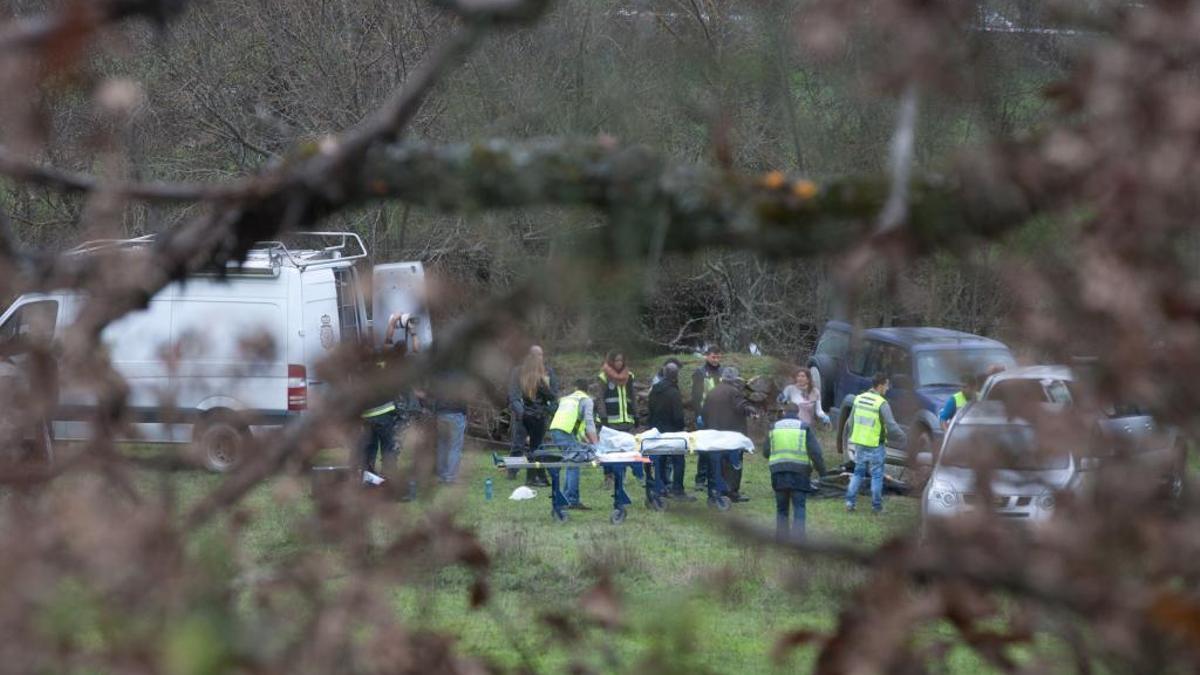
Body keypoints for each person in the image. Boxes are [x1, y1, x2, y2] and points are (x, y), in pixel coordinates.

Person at [844, 372, 907, 514]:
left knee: (858, 473)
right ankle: (876, 507)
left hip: (860, 443)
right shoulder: (881, 403)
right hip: (875, 444)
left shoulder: (858, 399)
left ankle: (850, 502)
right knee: (877, 475)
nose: (888, 388)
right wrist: (904, 437)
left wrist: (852, 437)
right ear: (880, 385)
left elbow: (851, 422)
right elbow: (891, 425)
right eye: (886, 385)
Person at [764, 405, 827, 540]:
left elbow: (765, 452)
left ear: (784, 412)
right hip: (800, 472)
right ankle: (798, 540)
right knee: (799, 507)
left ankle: (781, 539)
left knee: (781, 509)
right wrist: (823, 473)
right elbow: (815, 453)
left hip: (778, 472)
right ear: (798, 412)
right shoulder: (804, 427)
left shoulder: (774, 427)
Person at [701, 366, 757, 504]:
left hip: (715, 434)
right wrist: (751, 410)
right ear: (734, 379)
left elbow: (704, 413)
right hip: (732, 437)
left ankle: (715, 490)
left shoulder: (712, 392)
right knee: (734, 465)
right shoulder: (734, 392)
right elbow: (741, 406)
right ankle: (732, 492)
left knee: (717, 464)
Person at [507, 345, 559, 483]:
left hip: (540, 415)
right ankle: (512, 470)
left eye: (540, 355)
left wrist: (547, 411)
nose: (538, 358)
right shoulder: (518, 372)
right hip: (523, 414)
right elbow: (514, 395)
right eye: (535, 355)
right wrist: (522, 413)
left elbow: (554, 396)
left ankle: (536, 473)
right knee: (518, 444)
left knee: (538, 445)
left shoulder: (548, 372)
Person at [548, 378, 599, 510]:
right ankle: (570, 500)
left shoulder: (567, 399)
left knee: (573, 461)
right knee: (574, 463)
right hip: (564, 433)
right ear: (587, 390)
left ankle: (568, 498)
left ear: (576, 388)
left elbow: (575, 424)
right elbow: (589, 423)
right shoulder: (587, 400)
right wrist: (596, 445)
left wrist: (586, 441)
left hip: (556, 430)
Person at [647, 361, 694, 501]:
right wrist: (682, 428)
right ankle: (677, 490)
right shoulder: (674, 392)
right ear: (676, 375)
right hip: (673, 432)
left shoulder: (654, 390)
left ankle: (660, 486)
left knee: (660, 459)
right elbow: (678, 415)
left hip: (657, 430)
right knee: (678, 460)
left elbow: (650, 409)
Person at [596, 351, 642, 486]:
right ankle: (608, 477)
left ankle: (622, 476)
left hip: (626, 419)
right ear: (611, 361)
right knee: (609, 450)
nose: (619, 363)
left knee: (625, 450)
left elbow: (633, 397)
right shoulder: (603, 376)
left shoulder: (629, 376)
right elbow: (600, 398)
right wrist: (603, 416)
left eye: (621, 360)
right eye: (616, 360)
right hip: (610, 420)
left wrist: (636, 414)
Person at [690, 346, 723, 490]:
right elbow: (696, 396)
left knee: (719, 449)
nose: (716, 360)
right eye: (713, 357)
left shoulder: (722, 372)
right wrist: (698, 414)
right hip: (705, 415)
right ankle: (700, 479)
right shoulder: (700, 373)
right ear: (707, 357)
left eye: (718, 357)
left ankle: (716, 477)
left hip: (720, 416)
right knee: (704, 449)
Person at [433, 371, 470, 484]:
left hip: (441, 413)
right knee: (455, 446)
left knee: (442, 445)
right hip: (456, 413)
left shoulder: (440, 373)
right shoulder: (463, 375)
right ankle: (450, 477)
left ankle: (441, 475)